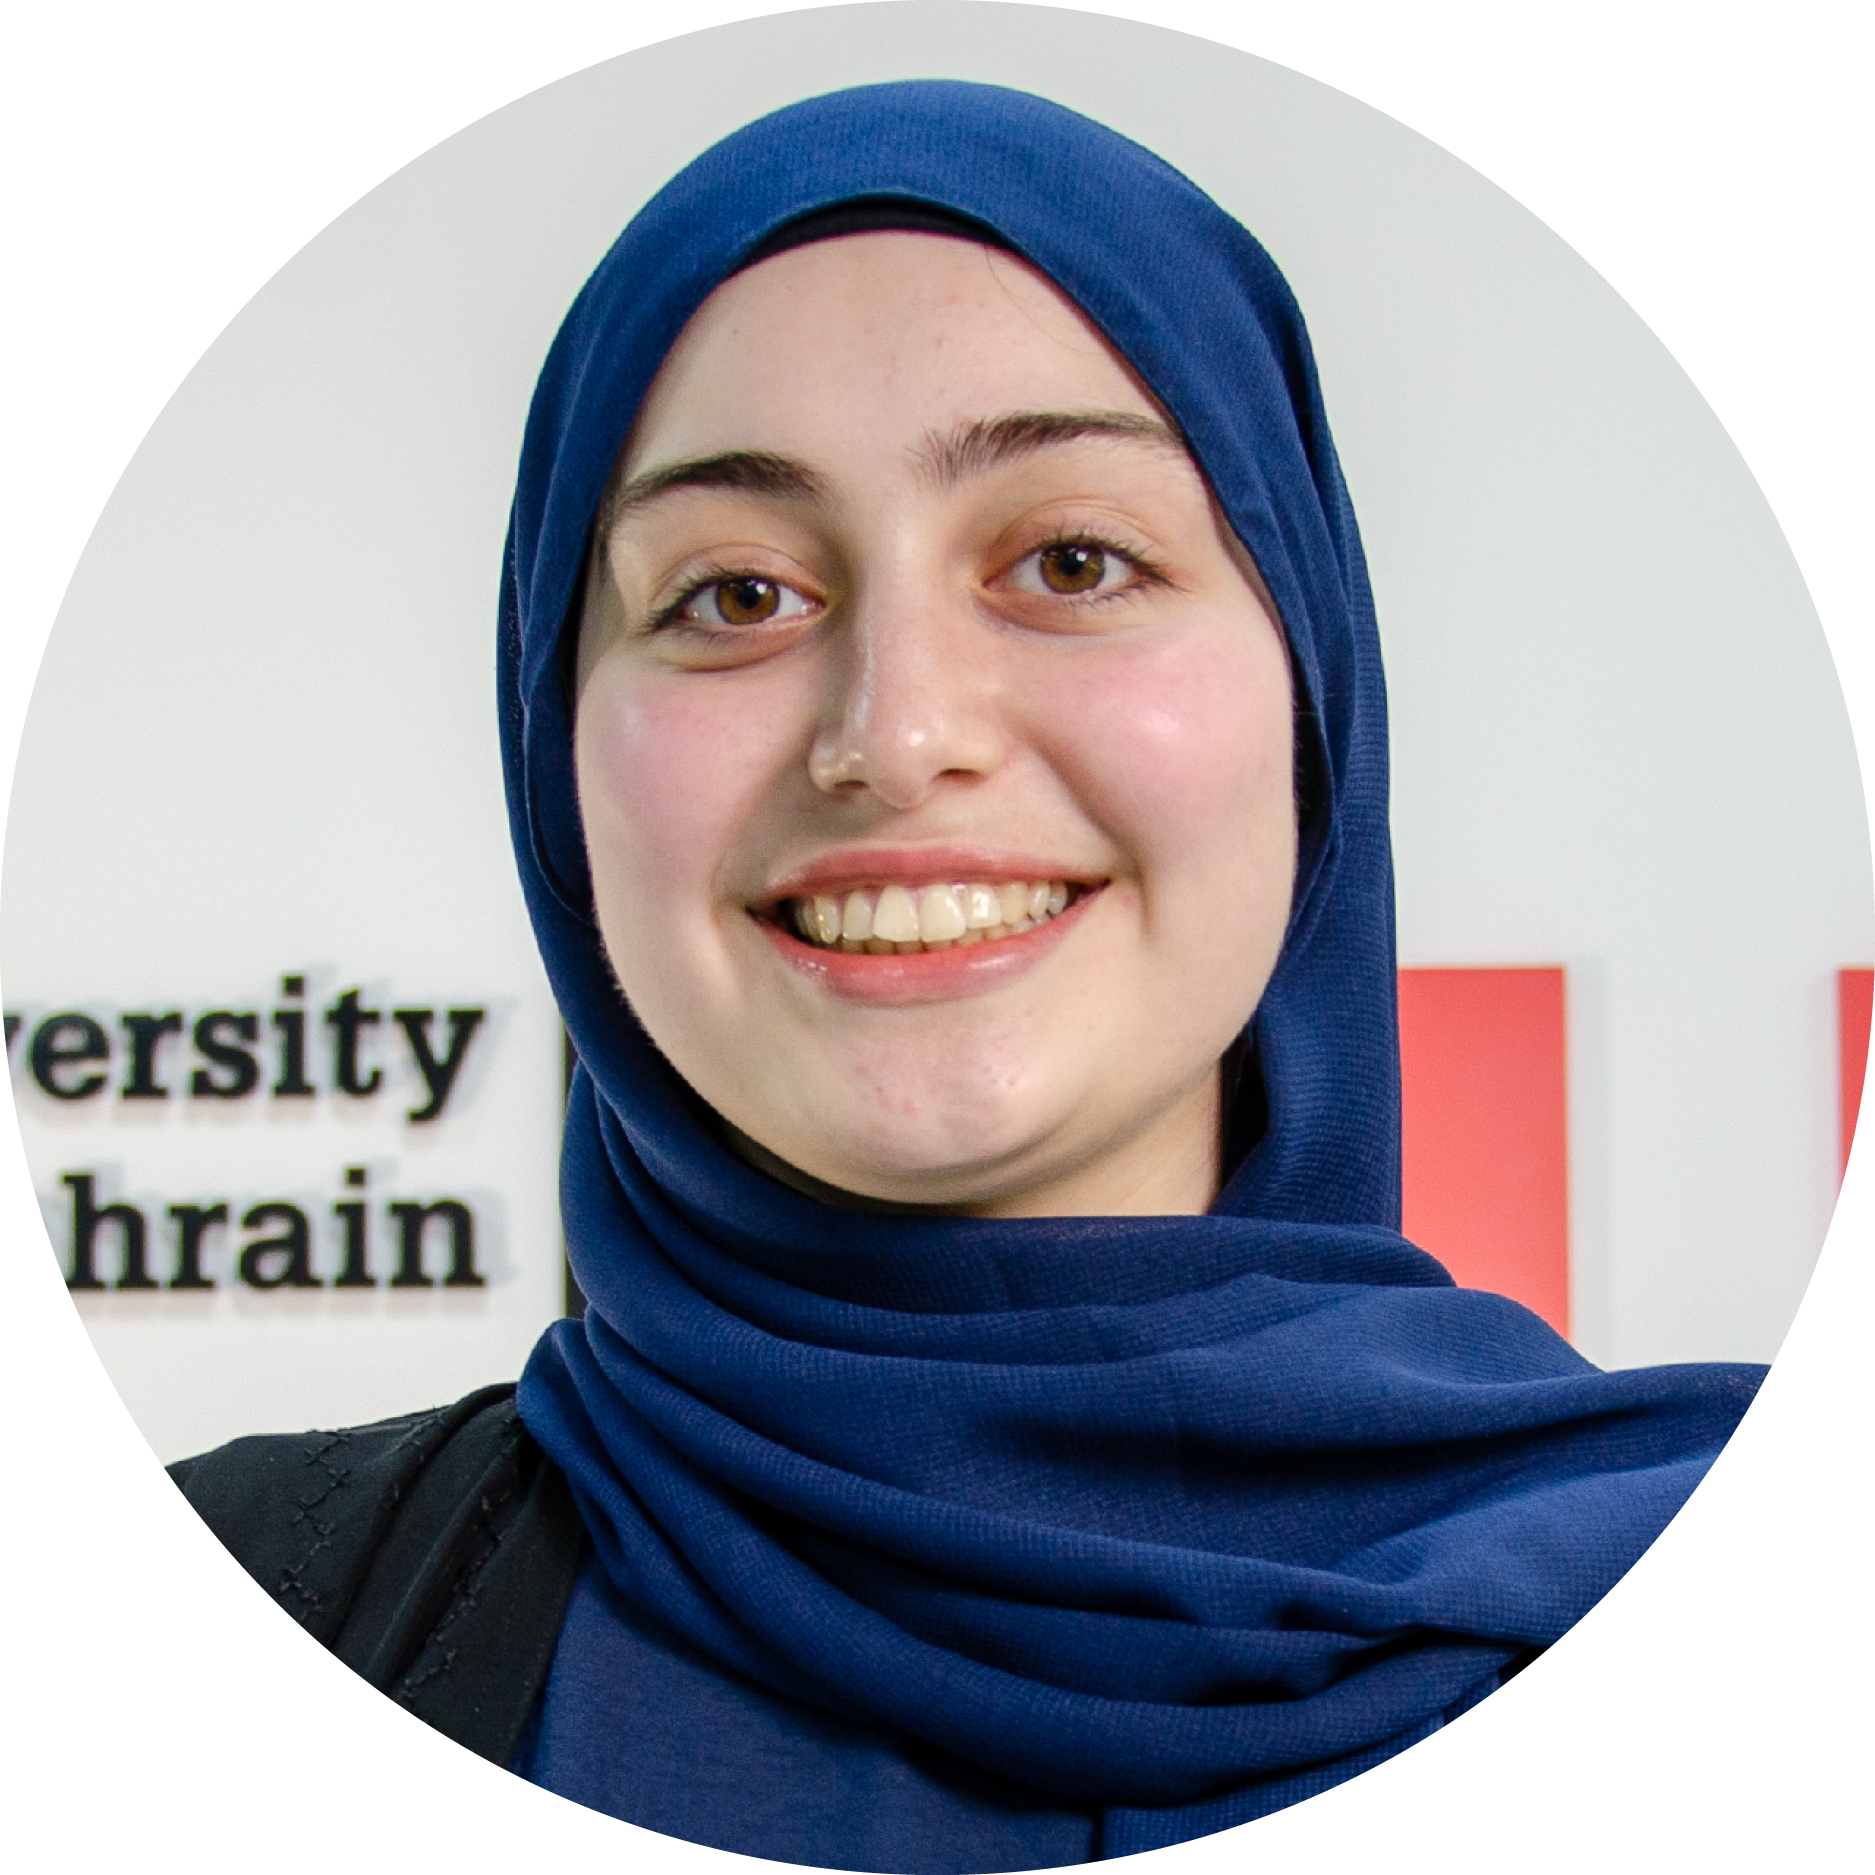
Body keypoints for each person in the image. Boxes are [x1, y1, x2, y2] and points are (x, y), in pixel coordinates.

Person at [170, 80, 1764, 1870]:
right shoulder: (194, 1645)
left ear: (1311, 698)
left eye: (1073, 559)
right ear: (557, 760)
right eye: (734, 595)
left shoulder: (1768, 1635)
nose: (895, 733)